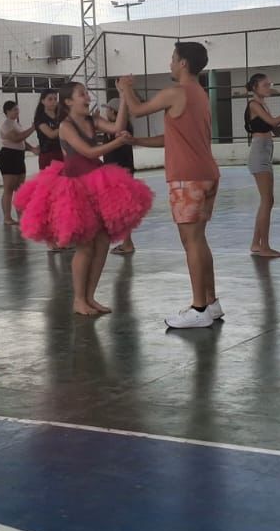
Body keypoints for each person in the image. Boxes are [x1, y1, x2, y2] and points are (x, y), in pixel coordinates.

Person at [15, 81, 153, 315]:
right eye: (82, 94)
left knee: (102, 243)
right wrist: (117, 142)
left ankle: (90, 297)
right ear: (69, 101)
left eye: (87, 93)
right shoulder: (66, 126)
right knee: (86, 247)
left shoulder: (91, 120)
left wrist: (123, 96)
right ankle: (79, 299)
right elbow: (88, 151)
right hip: (74, 187)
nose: (87, 97)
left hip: (95, 183)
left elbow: (117, 126)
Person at [118, 42, 221, 329]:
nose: (170, 64)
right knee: (199, 239)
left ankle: (199, 309)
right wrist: (137, 141)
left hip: (187, 177)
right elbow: (172, 138)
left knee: (191, 241)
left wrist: (125, 88)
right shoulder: (200, 94)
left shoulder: (176, 92)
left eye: (173, 59)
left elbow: (137, 110)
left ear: (184, 63)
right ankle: (211, 302)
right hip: (206, 173)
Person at [244, 74, 280, 258]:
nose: (268, 87)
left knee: (266, 201)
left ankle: (256, 243)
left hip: (265, 151)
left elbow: (276, 130)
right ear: (255, 87)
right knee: (267, 200)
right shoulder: (254, 104)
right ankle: (264, 246)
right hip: (259, 152)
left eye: (269, 84)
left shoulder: (263, 105)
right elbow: (273, 122)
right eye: (265, 85)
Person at [96, 96, 156, 256]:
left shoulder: (121, 129)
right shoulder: (121, 127)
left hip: (119, 174)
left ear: (114, 112)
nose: (106, 113)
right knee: (121, 209)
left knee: (121, 210)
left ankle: (127, 243)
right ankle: (126, 242)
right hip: (120, 172)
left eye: (108, 110)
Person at [0, 100, 38, 225]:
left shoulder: (16, 124)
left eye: (17, 109)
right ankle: (7, 217)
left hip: (19, 156)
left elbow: (22, 141)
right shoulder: (6, 125)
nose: (17, 112)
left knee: (20, 188)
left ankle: (21, 215)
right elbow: (16, 138)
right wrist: (32, 128)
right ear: (7, 111)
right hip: (8, 156)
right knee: (9, 188)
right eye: (14, 109)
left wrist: (32, 149)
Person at [32, 90, 63, 171]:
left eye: (55, 99)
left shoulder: (61, 116)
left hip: (62, 153)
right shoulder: (40, 118)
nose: (53, 102)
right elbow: (51, 134)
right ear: (42, 101)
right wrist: (67, 126)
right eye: (50, 99)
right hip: (48, 155)